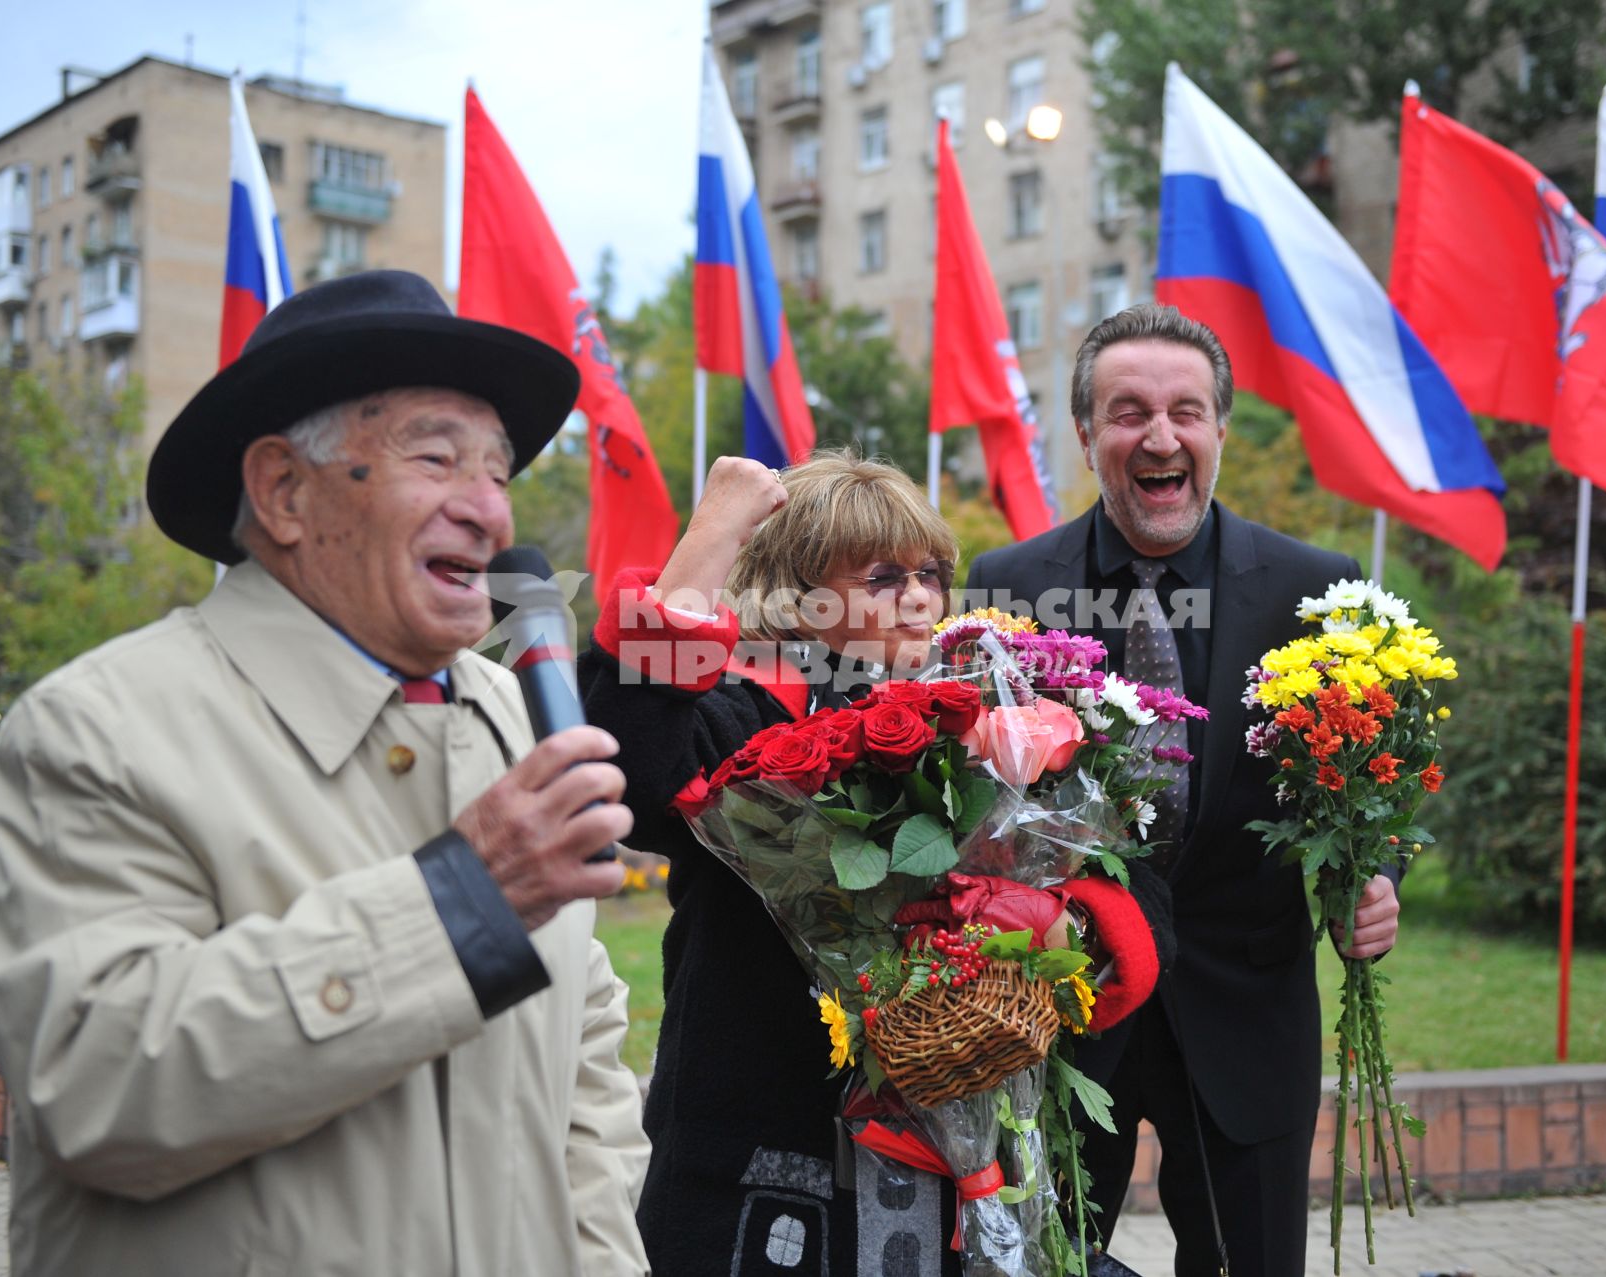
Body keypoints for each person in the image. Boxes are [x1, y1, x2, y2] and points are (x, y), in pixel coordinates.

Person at [0, 270, 651, 1277]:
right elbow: (98, 1084)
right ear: (285, 491)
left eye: (499, 474)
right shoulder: (98, 729)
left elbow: (586, 1057)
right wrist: (464, 902)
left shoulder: (509, 710)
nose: (492, 518)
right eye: (437, 457)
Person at [583, 450, 1170, 1276]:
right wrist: (713, 533)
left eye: (931, 572)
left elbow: (1132, 878)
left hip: (950, 1173)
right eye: (885, 575)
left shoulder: (1002, 713)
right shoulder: (745, 706)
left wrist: (1058, 922)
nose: (923, 595)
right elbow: (630, 765)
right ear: (799, 592)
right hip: (762, 1150)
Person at [965, 304, 1403, 1276]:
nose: (1159, 435)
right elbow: (969, 799)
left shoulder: (1314, 589)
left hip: (1248, 1016)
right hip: (1065, 1022)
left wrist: (1376, 880)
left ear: (1217, 430)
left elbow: (1373, 772)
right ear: (1086, 435)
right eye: (1127, 412)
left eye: (1185, 411)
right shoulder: (1006, 587)